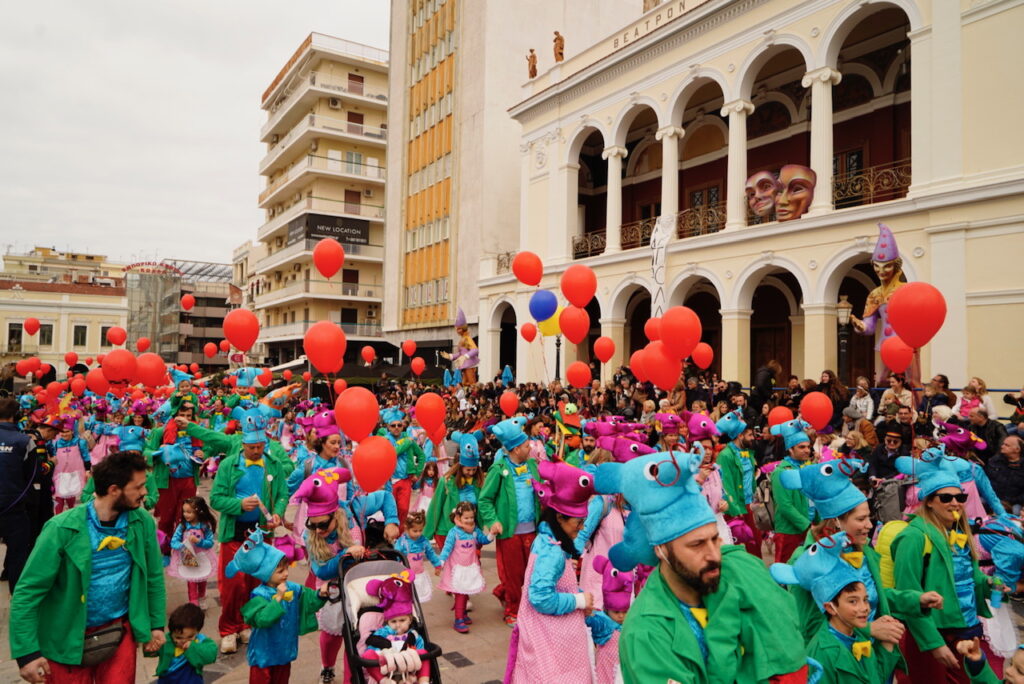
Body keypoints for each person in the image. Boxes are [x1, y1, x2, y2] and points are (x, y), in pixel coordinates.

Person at [595, 449, 810, 683]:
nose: (713, 555)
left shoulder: (739, 567)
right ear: (661, 550)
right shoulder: (647, 633)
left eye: (714, 539)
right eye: (697, 545)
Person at [11, 451, 166, 683]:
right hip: (65, 636)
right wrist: (26, 653)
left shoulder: (141, 521)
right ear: (114, 489)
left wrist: (156, 625)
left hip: (119, 632)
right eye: (139, 486)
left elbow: (153, 576)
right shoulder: (60, 527)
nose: (145, 492)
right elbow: (28, 591)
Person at [891, 454, 1004, 681]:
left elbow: (969, 577)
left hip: (967, 628)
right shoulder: (913, 537)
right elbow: (907, 595)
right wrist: (934, 644)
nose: (955, 503)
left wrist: (990, 584)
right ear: (929, 501)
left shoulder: (959, 533)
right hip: (935, 632)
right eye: (946, 497)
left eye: (960, 497)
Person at [505, 461, 596, 682]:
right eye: (579, 522)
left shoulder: (549, 540)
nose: (582, 527)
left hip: (546, 637)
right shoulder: (552, 551)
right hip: (549, 641)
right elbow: (540, 597)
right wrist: (578, 601)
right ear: (559, 518)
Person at [208, 430, 290, 654]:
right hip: (235, 534)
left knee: (257, 583)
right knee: (233, 585)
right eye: (251, 447)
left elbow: (283, 493)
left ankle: (247, 623)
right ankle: (228, 630)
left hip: (262, 535)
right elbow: (215, 498)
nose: (256, 451)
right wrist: (239, 505)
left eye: (260, 447)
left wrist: (277, 513)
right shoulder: (228, 465)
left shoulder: (273, 465)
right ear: (243, 444)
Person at [293, 466, 363, 684]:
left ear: (336, 516)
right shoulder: (311, 536)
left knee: (352, 637)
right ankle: (327, 667)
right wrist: (345, 554)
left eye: (323, 524)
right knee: (330, 637)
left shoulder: (351, 526)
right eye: (312, 525)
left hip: (353, 590)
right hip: (329, 592)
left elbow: (384, 498)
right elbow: (322, 570)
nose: (318, 530)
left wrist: (392, 520)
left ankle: (349, 679)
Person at [229, 528, 328, 684]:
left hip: (284, 651)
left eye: (286, 569)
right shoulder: (259, 593)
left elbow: (308, 600)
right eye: (280, 571)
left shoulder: (293, 588)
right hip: (264, 653)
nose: (286, 574)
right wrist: (278, 599)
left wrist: (320, 595)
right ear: (266, 573)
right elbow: (261, 620)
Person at [478, 417, 539, 625]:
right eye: (525, 444)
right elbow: (485, 499)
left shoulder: (533, 465)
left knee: (530, 572)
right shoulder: (498, 469)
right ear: (514, 449)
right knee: (513, 574)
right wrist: (493, 520)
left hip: (533, 530)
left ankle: (505, 593)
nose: (529, 446)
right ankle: (512, 609)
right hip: (510, 532)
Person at [0, 397, 44, 594]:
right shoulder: (25, 441)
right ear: (16, 416)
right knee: (19, 555)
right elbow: (33, 477)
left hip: (14, 504)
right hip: (15, 508)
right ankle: (17, 598)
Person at [362, 572, 432, 684]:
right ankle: (383, 680)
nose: (398, 625)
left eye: (402, 620)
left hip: (409, 668)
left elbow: (419, 651)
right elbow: (371, 645)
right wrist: (383, 646)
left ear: (410, 619)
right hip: (386, 667)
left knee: (424, 652)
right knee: (367, 655)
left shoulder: (413, 635)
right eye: (393, 621)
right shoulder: (383, 632)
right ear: (387, 622)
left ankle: (423, 680)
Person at [436, 501, 492, 633]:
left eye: (472, 517)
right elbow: (447, 548)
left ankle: (463, 614)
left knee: (466, 590)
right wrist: (441, 562)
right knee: (461, 593)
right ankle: (458, 619)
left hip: (470, 566)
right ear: (458, 517)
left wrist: (492, 534)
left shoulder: (475, 531)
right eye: (466, 518)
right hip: (457, 569)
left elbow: (484, 540)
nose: (469, 520)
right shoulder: (453, 532)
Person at [424, 432, 483, 549]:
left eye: (474, 470)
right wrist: (426, 534)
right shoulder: (446, 481)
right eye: (468, 470)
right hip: (447, 531)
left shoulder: (479, 484)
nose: (471, 473)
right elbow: (435, 507)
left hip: (471, 531)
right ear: (460, 467)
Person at [717, 414, 762, 557]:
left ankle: (756, 573)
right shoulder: (725, 456)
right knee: (740, 546)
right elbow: (726, 485)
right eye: (749, 435)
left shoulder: (748, 452)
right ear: (740, 436)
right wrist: (736, 510)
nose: (752, 438)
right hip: (738, 507)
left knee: (756, 543)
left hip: (750, 505)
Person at [770, 419, 815, 562]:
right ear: (790, 449)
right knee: (786, 571)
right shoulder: (782, 472)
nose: (807, 450)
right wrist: (806, 525)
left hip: (810, 528)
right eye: (802, 447)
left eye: (808, 447)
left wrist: (818, 523)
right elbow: (785, 505)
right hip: (789, 531)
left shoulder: (807, 468)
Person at [587, 555, 634, 684]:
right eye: (616, 612)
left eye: (625, 611)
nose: (621, 616)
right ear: (608, 609)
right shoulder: (605, 624)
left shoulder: (632, 623)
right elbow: (591, 618)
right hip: (606, 675)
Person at [144, 603, 218, 684]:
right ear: (171, 633)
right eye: (178, 637)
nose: (184, 641)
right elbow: (151, 651)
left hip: (192, 680)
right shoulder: (167, 640)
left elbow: (211, 654)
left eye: (190, 637)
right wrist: (150, 646)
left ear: (197, 631)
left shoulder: (200, 641)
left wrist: (193, 647)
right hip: (167, 680)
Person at [168, 496, 217, 609]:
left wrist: (199, 541)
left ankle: (202, 597)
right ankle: (193, 600)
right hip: (188, 555)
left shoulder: (204, 526)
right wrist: (183, 545)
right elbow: (173, 541)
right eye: (184, 511)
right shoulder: (183, 526)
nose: (186, 514)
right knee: (191, 579)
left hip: (202, 556)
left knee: (203, 577)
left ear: (198, 511)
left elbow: (210, 542)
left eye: (189, 512)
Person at [395, 510, 441, 602]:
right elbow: (396, 556)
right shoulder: (402, 542)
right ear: (407, 528)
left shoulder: (423, 541)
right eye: (415, 531)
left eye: (420, 530)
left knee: (418, 598)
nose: (418, 533)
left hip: (419, 575)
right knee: (406, 598)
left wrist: (437, 564)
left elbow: (430, 553)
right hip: (405, 576)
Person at [986, 435, 1024, 514]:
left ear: (1017, 449)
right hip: (992, 498)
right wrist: (995, 500)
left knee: (1016, 511)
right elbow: (986, 482)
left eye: (1007, 445)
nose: (1002, 446)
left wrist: (1010, 502)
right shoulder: (994, 461)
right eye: (1003, 444)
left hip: (1015, 502)